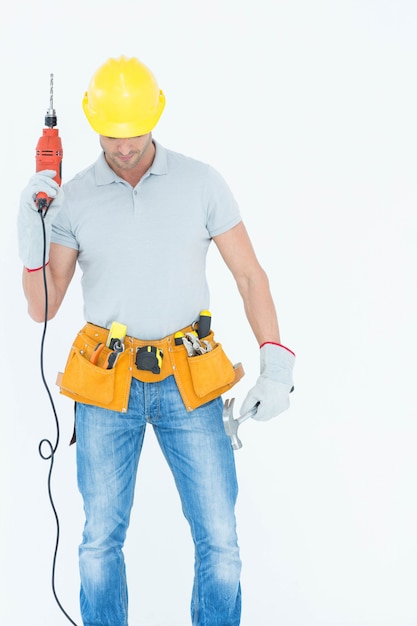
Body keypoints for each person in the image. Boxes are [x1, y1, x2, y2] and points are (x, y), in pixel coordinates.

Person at [18, 56, 295, 626]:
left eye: (135, 134)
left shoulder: (200, 182)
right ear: (95, 123)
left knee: (220, 542)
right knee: (99, 544)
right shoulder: (72, 199)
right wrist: (32, 243)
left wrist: (275, 358)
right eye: (112, 136)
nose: (124, 148)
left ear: (157, 116)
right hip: (105, 380)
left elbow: (249, 275)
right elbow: (43, 306)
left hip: (188, 377)